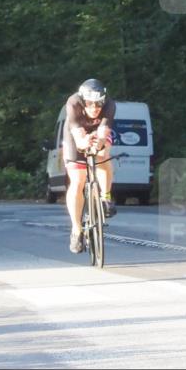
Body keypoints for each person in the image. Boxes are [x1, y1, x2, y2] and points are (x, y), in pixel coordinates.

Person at [63, 78, 116, 253]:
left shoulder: (109, 105)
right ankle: (76, 230)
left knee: (103, 153)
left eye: (98, 104)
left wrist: (98, 143)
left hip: (96, 132)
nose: (94, 108)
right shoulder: (73, 103)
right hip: (75, 134)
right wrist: (84, 143)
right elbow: (78, 138)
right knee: (78, 181)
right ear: (83, 101)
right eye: (90, 104)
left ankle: (105, 197)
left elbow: (103, 133)